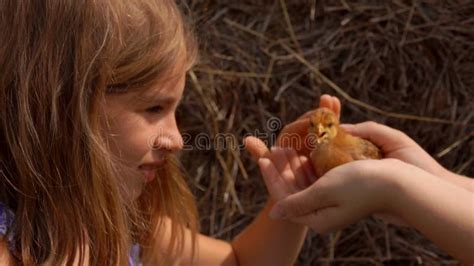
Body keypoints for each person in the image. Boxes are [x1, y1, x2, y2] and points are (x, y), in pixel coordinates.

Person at [0, 1, 309, 265]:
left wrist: (291, 204)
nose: (176, 139)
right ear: (61, 106)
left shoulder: (118, 224)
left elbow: (240, 262)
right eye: (153, 109)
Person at [245, 95, 474, 265]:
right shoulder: (317, 155)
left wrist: (394, 186)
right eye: (314, 127)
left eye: (327, 126)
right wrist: (435, 180)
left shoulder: (357, 149)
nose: (320, 131)